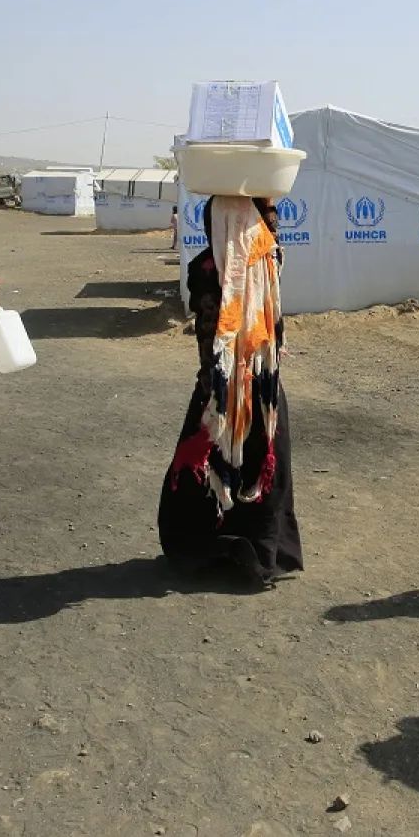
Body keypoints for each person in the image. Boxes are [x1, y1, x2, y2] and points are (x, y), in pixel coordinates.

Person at [158, 195, 302, 588]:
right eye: (257, 219)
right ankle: (240, 550)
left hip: (242, 385)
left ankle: (237, 550)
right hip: (244, 387)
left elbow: (220, 332)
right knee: (246, 464)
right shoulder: (239, 265)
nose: (269, 227)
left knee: (240, 466)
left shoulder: (238, 264)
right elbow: (210, 330)